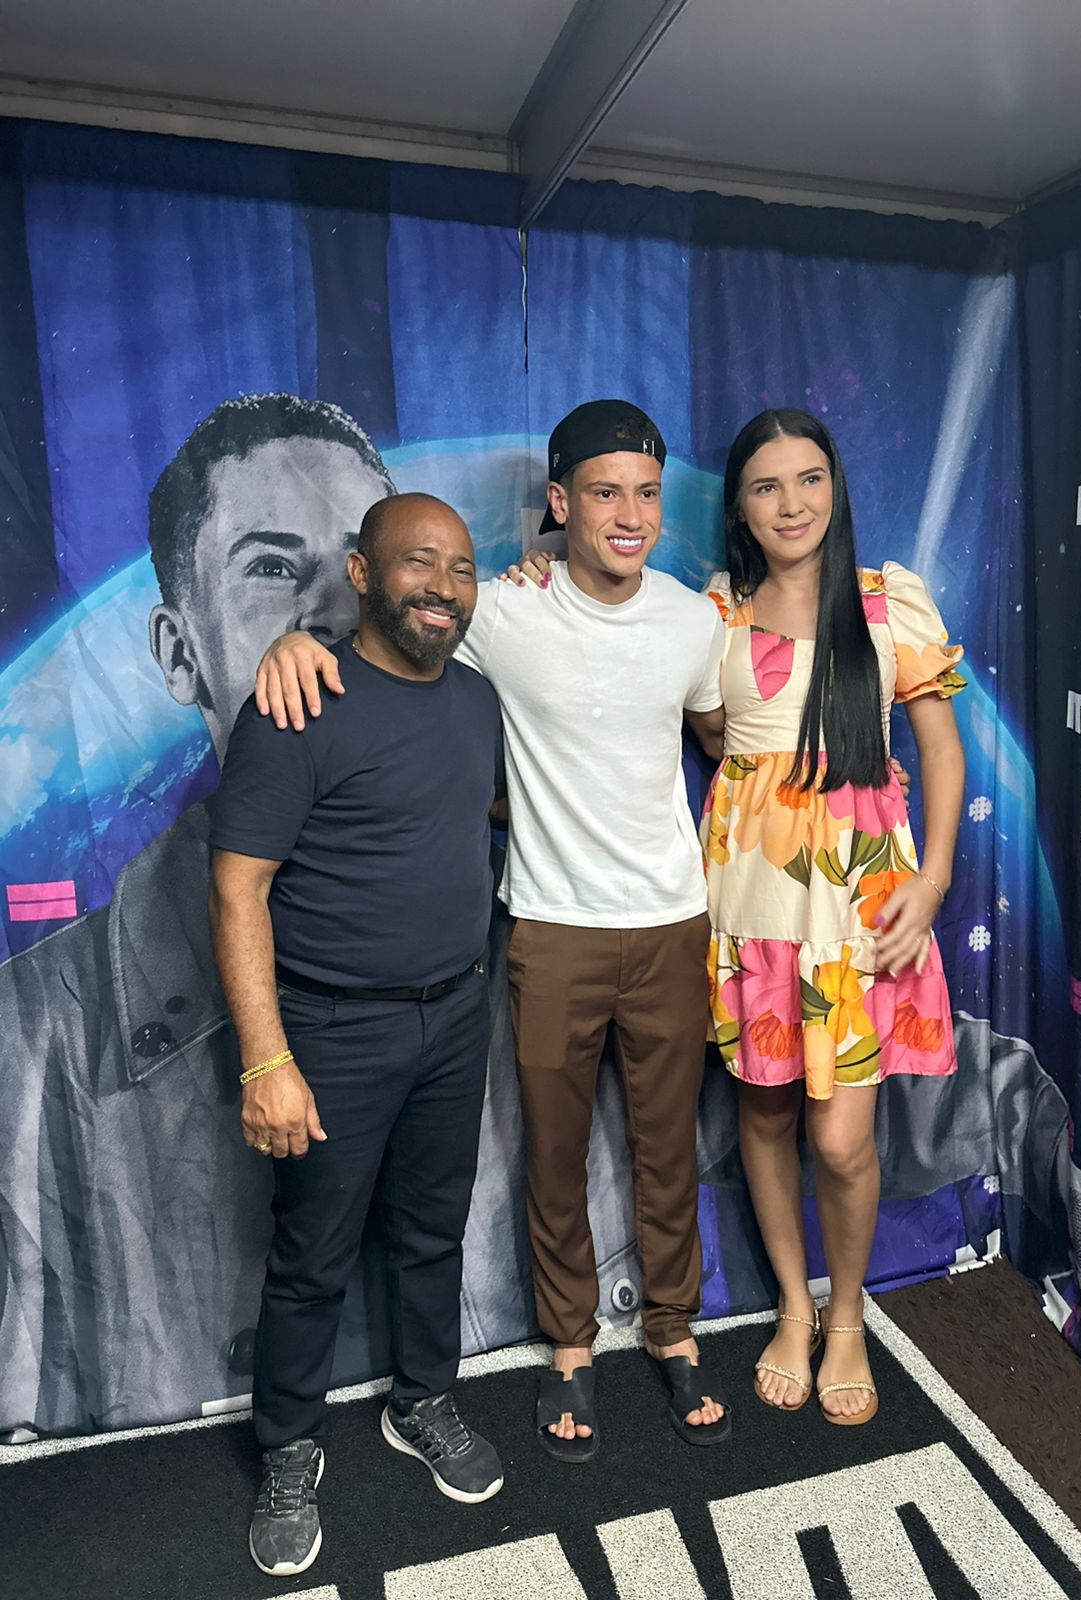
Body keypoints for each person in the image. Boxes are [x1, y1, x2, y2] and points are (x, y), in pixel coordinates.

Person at [255, 400, 733, 1456]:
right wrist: (292, 644)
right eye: (604, 493)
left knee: (669, 1149)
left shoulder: (693, 621)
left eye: (646, 495)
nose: (629, 515)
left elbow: (715, 729)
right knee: (553, 1155)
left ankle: (673, 1329)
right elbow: (394, 643)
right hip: (549, 926)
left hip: (671, 919)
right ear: (559, 502)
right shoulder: (499, 611)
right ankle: (570, 1346)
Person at [0, 394, 397, 1436]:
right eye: (272, 567)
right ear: (180, 654)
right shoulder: (35, 1039)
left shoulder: (492, 940)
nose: (332, 608)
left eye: (361, 560)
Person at [210, 492, 504, 1577]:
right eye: (419, 563)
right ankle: (288, 1444)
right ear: (363, 573)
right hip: (330, 1030)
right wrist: (266, 1058)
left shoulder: (476, 701)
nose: (444, 586)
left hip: (456, 1012)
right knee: (312, 1254)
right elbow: (237, 888)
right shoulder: (300, 703)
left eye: (462, 569)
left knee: (432, 1229)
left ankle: (422, 1399)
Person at [697, 407, 965, 1425]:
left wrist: (931, 882)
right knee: (765, 1115)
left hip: (862, 910)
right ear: (739, 507)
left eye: (809, 478)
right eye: (766, 486)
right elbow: (711, 735)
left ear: (836, 486)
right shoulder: (714, 612)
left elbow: (939, 751)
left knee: (842, 1139)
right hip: (752, 904)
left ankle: (847, 1316)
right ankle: (794, 1306)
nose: (791, 503)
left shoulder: (888, 603)